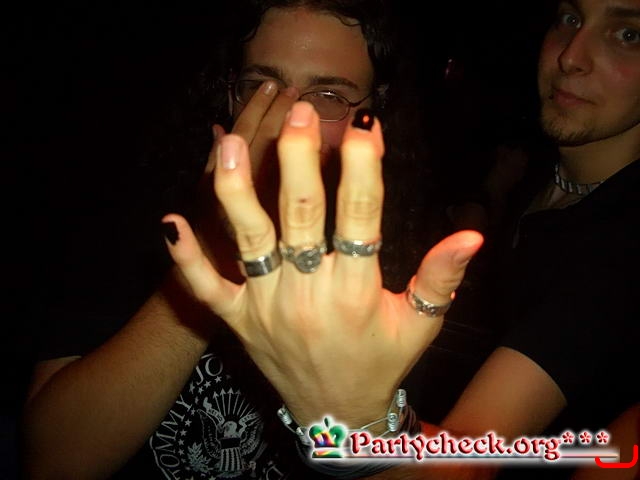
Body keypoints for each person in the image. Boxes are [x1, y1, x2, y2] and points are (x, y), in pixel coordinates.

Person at [162, 0, 640, 479]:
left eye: (628, 35)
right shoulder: (540, 177)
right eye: (571, 18)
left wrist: (354, 420)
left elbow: (469, 462)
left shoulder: (622, 242)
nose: (571, 56)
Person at [21, 1, 451, 479]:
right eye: (261, 87)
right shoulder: (137, 216)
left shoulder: (396, 259)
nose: (288, 117)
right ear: (229, 97)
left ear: (371, 115)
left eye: (329, 95)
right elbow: (55, 462)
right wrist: (217, 248)